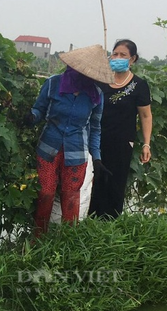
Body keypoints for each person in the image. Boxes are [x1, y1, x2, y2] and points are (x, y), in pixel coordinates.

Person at [29, 45, 114, 236]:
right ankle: (37, 239)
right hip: (49, 148)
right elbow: (39, 109)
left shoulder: (95, 95)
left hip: (76, 153)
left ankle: (69, 242)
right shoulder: (53, 84)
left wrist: (97, 158)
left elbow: (95, 128)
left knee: (71, 197)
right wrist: (31, 117)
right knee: (46, 193)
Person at [89, 39, 152, 219]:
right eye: (115, 54)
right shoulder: (101, 80)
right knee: (93, 183)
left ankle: (110, 225)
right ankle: (88, 224)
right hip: (95, 141)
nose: (117, 58)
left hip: (122, 143)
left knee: (114, 184)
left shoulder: (139, 86)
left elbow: (146, 116)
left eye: (123, 55)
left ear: (132, 59)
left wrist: (146, 144)